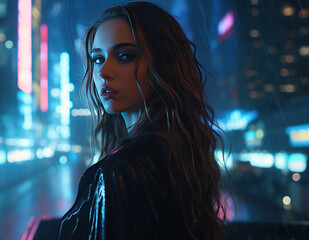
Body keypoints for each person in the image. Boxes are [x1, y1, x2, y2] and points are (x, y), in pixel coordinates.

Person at [57, 2, 229, 239]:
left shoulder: (119, 170)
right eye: (97, 59)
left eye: (125, 55)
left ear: (162, 63)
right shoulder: (183, 148)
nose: (104, 71)